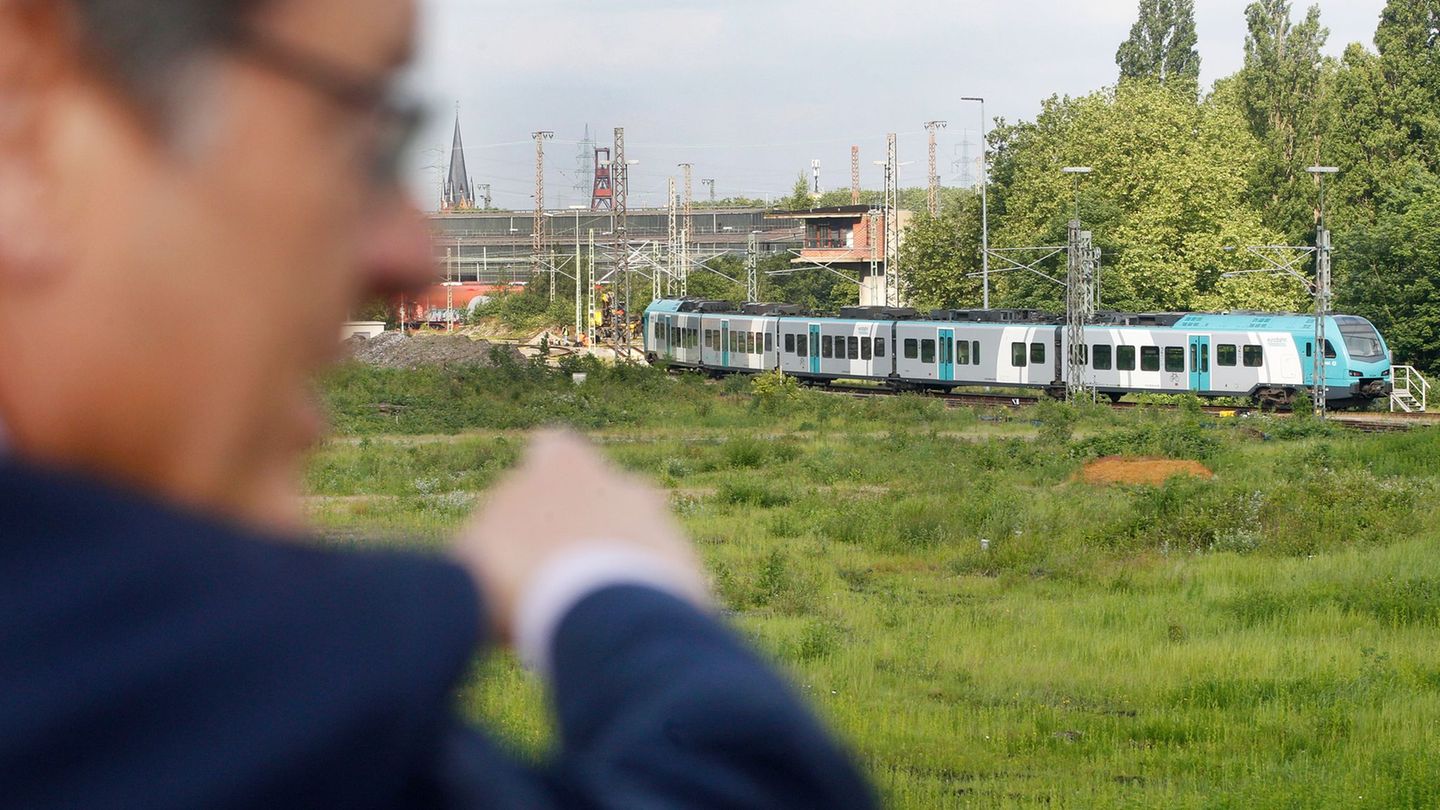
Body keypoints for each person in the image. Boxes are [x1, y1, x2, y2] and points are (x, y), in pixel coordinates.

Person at [0, 1, 877, 808]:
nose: (409, 253)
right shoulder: (218, 714)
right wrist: (612, 591)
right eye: (352, 129)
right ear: (27, 117)